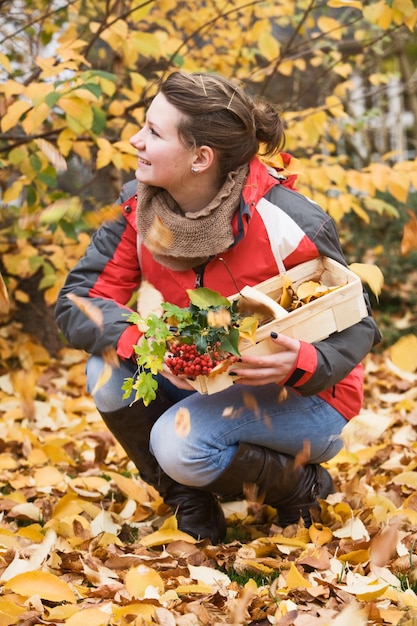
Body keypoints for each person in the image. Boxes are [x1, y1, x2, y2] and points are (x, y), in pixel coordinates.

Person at [55, 70, 381, 544]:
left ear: (200, 158)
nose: (134, 140)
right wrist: (147, 343)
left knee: (178, 444)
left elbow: (361, 320)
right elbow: (78, 303)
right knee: (105, 373)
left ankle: (302, 487)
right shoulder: (140, 212)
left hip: (309, 397)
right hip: (209, 381)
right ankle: (189, 499)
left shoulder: (288, 220)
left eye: (153, 132)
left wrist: (303, 362)